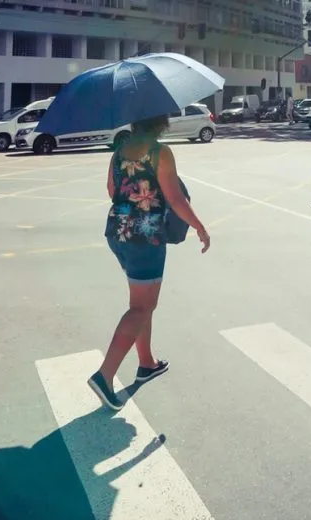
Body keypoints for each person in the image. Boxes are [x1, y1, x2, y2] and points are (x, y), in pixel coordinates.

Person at [88, 114, 211, 411]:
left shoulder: (119, 151)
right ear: (161, 122)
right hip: (146, 237)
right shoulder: (159, 153)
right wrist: (200, 227)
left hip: (118, 233)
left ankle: (147, 362)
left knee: (142, 302)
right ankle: (105, 375)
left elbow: (111, 191)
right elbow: (176, 199)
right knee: (142, 307)